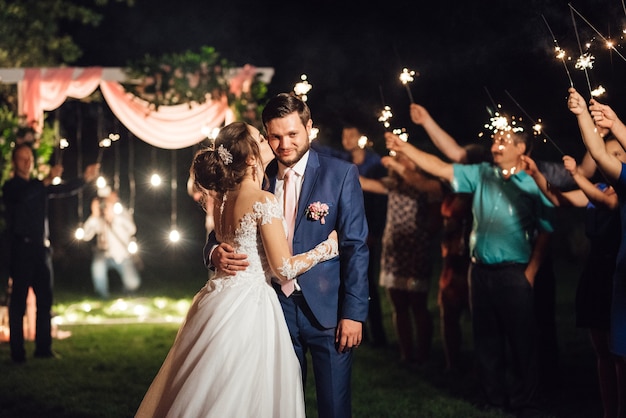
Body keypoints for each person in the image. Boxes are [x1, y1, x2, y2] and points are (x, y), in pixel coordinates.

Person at [135, 122, 339, 417]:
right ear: (251, 158)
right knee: (244, 388)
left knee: (212, 384)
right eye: (260, 137)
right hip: (251, 307)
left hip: (218, 301)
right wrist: (327, 248)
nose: (268, 139)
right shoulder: (261, 200)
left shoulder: (220, 199)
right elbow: (282, 269)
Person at [207, 93, 370, 418]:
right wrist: (213, 252)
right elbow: (220, 231)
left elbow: (356, 246)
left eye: (293, 134)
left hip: (326, 312)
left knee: (334, 408)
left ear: (309, 127)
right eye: (276, 136)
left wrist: (353, 313)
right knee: (277, 405)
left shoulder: (339, 174)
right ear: (266, 136)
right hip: (271, 311)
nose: (284, 143)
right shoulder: (256, 174)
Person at [386, 118, 555, 417]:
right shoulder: (481, 173)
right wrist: (405, 148)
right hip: (479, 271)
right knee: (485, 338)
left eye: (503, 142)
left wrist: (530, 272)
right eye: (494, 141)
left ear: (521, 147)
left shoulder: (533, 183)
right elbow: (439, 167)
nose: (495, 146)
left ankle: (524, 401)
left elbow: (546, 229)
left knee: (521, 340)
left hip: (514, 271)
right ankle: (492, 398)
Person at [523, 143, 626, 418]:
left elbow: (610, 204)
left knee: (621, 355)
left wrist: (577, 175)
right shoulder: (599, 189)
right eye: (607, 154)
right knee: (602, 352)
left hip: (618, 272)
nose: (609, 160)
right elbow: (559, 199)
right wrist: (535, 175)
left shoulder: (619, 193)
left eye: (618, 155)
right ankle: (608, 411)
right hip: (595, 272)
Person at [2, 143, 99, 363]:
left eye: (29, 158)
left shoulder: (39, 186)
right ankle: (18, 353)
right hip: (21, 250)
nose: (27, 162)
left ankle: (43, 349)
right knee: (18, 302)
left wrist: (84, 178)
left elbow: (63, 189)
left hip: (41, 250)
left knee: (45, 300)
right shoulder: (12, 188)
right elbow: (24, 197)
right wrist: (45, 180)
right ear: (15, 162)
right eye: (22, 158)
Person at [567, 88, 626, 415]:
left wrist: (614, 124)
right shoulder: (619, 182)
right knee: (616, 358)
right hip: (621, 281)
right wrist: (583, 117)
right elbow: (600, 155)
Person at [359, 151, 442, 365]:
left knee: (418, 304)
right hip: (394, 250)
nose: (399, 160)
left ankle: (423, 353)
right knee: (398, 304)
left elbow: (434, 222)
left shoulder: (427, 186)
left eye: (404, 157)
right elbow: (365, 183)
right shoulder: (393, 184)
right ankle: (406, 354)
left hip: (416, 250)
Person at [340, 123, 388, 347]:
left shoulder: (375, 164)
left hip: (368, 230)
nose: (348, 139)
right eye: (345, 135)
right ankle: (362, 330)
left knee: (366, 281)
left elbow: (380, 200)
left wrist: (374, 231)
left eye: (352, 134)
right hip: (346, 229)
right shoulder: (342, 161)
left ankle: (376, 333)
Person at [82, 188, 141, 299]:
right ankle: (102, 295)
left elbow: (132, 229)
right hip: (104, 255)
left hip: (122, 255)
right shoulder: (98, 216)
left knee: (133, 283)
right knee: (97, 266)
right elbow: (86, 235)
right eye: (102, 200)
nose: (105, 203)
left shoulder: (121, 211)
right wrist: (94, 215)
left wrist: (115, 217)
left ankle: (127, 291)